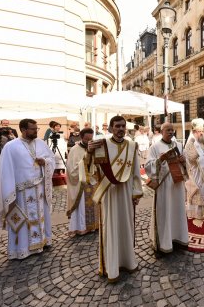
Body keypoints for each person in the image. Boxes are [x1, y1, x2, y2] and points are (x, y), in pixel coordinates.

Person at [85, 116, 143, 282]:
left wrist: (136, 192)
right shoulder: (101, 145)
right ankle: (112, 266)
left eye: (123, 126)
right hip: (109, 194)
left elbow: (136, 173)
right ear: (110, 128)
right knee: (110, 228)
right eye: (117, 126)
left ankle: (128, 261)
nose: (120, 129)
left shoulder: (132, 145)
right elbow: (90, 172)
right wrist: (89, 152)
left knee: (126, 226)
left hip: (126, 194)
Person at [0, 118, 55, 259]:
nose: (36, 131)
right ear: (23, 129)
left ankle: (43, 242)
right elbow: (5, 171)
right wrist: (9, 192)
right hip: (21, 192)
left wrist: (45, 162)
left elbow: (52, 159)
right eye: (33, 129)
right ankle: (22, 249)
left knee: (41, 216)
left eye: (36, 128)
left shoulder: (40, 143)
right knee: (22, 220)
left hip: (39, 189)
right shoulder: (11, 146)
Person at [145, 122, 188, 253]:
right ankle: (164, 242)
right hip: (164, 184)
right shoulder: (155, 147)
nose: (170, 132)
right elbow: (148, 166)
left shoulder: (179, 145)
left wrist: (183, 160)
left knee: (177, 210)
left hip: (177, 183)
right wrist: (160, 160)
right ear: (162, 131)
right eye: (168, 130)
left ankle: (179, 237)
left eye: (172, 130)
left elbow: (186, 163)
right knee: (164, 211)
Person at [66, 128, 100, 236]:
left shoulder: (95, 148)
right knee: (82, 208)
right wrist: (86, 158)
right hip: (82, 184)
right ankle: (81, 227)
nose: (89, 142)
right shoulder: (75, 150)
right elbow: (71, 169)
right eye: (87, 139)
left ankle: (95, 225)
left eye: (91, 139)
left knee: (95, 205)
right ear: (81, 137)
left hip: (93, 181)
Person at [185, 118, 204, 221]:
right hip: (197, 174)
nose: (201, 133)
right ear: (194, 132)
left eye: (202, 131)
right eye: (199, 132)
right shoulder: (190, 143)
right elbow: (191, 158)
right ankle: (197, 214)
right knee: (199, 193)